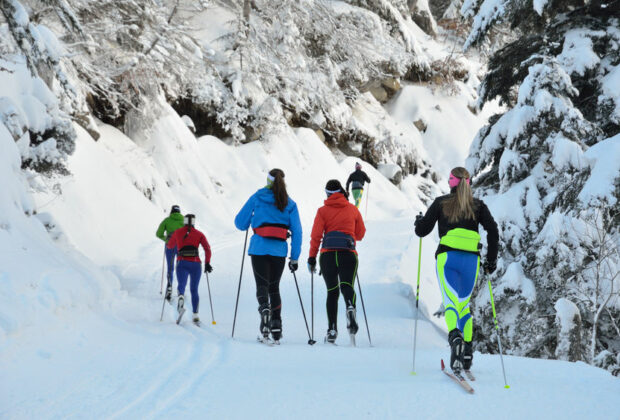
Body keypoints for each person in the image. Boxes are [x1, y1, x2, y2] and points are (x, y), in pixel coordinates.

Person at [414, 167, 499, 373]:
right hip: (471, 260)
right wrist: (491, 261)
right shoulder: (478, 206)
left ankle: (455, 338)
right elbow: (493, 231)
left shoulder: (441, 203)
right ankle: (467, 352)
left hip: (448, 257)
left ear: (452, 181)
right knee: (463, 306)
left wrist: (418, 222)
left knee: (451, 303)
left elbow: (422, 231)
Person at [234, 169, 302, 342]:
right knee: (274, 287)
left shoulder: (257, 197)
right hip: (279, 251)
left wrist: (253, 219)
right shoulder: (290, 204)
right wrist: (294, 258)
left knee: (262, 285)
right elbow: (297, 232)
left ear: (268, 180)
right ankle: (276, 325)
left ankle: (264, 309)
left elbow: (240, 223)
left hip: (259, 248)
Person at [307, 179, 366, 344]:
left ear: (327, 194)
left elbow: (316, 237)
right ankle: (350, 307)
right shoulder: (353, 209)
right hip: (348, 254)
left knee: (332, 292)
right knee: (347, 286)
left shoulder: (322, 211)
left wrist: (312, 258)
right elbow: (360, 234)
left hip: (328, 256)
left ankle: (332, 330)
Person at [167, 213, 213, 324]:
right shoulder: (199, 234)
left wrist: (170, 238)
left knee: (181, 285)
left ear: (184, 221)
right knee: (194, 290)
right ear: (193, 222)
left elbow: (170, 246)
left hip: (182, 262)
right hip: (196, 264)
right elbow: (207, 249)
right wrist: (207, 263)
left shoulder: (177, 232)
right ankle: (196, 315)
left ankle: (181, 297)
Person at [156, 205, 185, 301]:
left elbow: (158, 234)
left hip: (170, 246)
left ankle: (169, 287)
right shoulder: (184, 221)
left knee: (170, 268)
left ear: (171, 211)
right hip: (181, 247)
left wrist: (167, 240)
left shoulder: (167, 220)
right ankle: (181, 291)